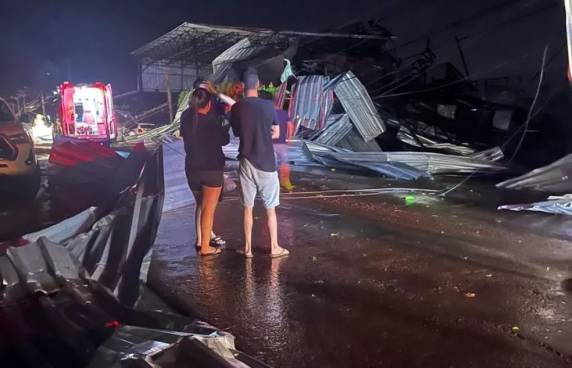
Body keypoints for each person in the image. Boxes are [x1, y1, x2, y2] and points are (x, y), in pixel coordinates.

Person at [230, 69, 290, 258]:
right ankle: (274, 248)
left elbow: (238, 133)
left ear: (242, 87)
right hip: (266, 162)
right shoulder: (268, 106)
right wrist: (266, 133)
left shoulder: (237, 107)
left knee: (247, 208)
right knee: (270, 209)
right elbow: (277, 133)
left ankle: (247, 249)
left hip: (246, 161)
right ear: (258, 85)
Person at [180, 84, 230, 256]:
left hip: (192, 169)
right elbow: (225, 141)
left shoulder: (186, 117)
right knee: (209, 209)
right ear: (208, 105)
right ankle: (206, 248)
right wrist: (225, 124)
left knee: (200, 205)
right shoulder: (213, 121)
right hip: (211, 169)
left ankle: (200, 239)